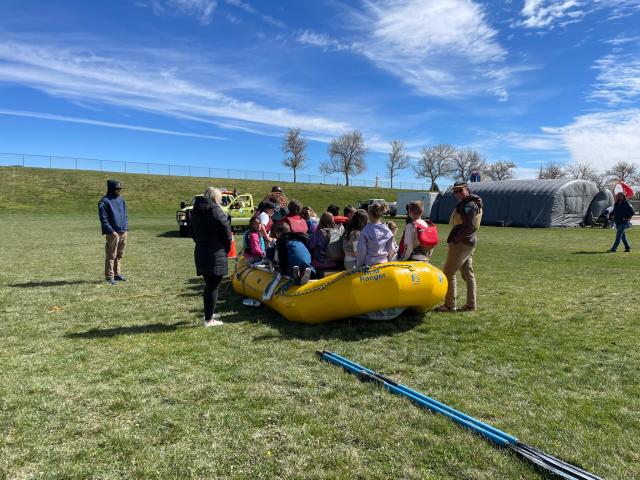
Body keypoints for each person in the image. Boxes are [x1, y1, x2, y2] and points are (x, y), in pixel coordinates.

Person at [436, 182, 483, 312]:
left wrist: (456, 239)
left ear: (467, 189)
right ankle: (471, 305)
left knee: (449, 272)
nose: (457, 193)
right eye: (455, 191)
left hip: (462, 243)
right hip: (469, 242)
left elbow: (470, 227)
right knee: (468, 273)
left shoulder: (468, 205)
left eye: (460, 190)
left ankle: (450, 305)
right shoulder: (472, 202)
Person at [190, 187, 232, 327]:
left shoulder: (195, 211)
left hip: (201, 250)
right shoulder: (215, 210)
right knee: (213, 286)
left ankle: (209, 313)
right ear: (215, 198)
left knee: (210, 285)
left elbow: (193, 233)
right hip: (215, 253)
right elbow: (226, 232)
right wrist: (225, 248)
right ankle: (209, 320)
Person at [98, 179, 129, 285]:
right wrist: (111, 231)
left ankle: (117, 274)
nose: (119, 191)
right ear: (112, 189)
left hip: (123, 231)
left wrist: (126, 228)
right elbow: (103, 218)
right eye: (117, 189)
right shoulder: (104, 201)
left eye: (120, 189)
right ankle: (109, 276)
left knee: (119, 254)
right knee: (111, 255)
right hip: (113, 233)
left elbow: (125, 215)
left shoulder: (121, 200)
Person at [356, 202, 395, 267]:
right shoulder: (387, 231)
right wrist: (389, 261)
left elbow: (361, 251)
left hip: (369, 265)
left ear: (369, 214)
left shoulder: (365, 231)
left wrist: (359, 265)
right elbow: (392, 249)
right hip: (384, 264)